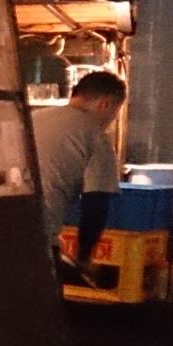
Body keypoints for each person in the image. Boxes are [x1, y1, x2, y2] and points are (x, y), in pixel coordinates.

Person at [31, 70, 127, 277]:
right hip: (38, 238)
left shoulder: (33, 118)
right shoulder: (96, 136)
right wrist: (84, 256)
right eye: (115, 112)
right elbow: (96, 202)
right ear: (105, 104)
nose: (111, 120)